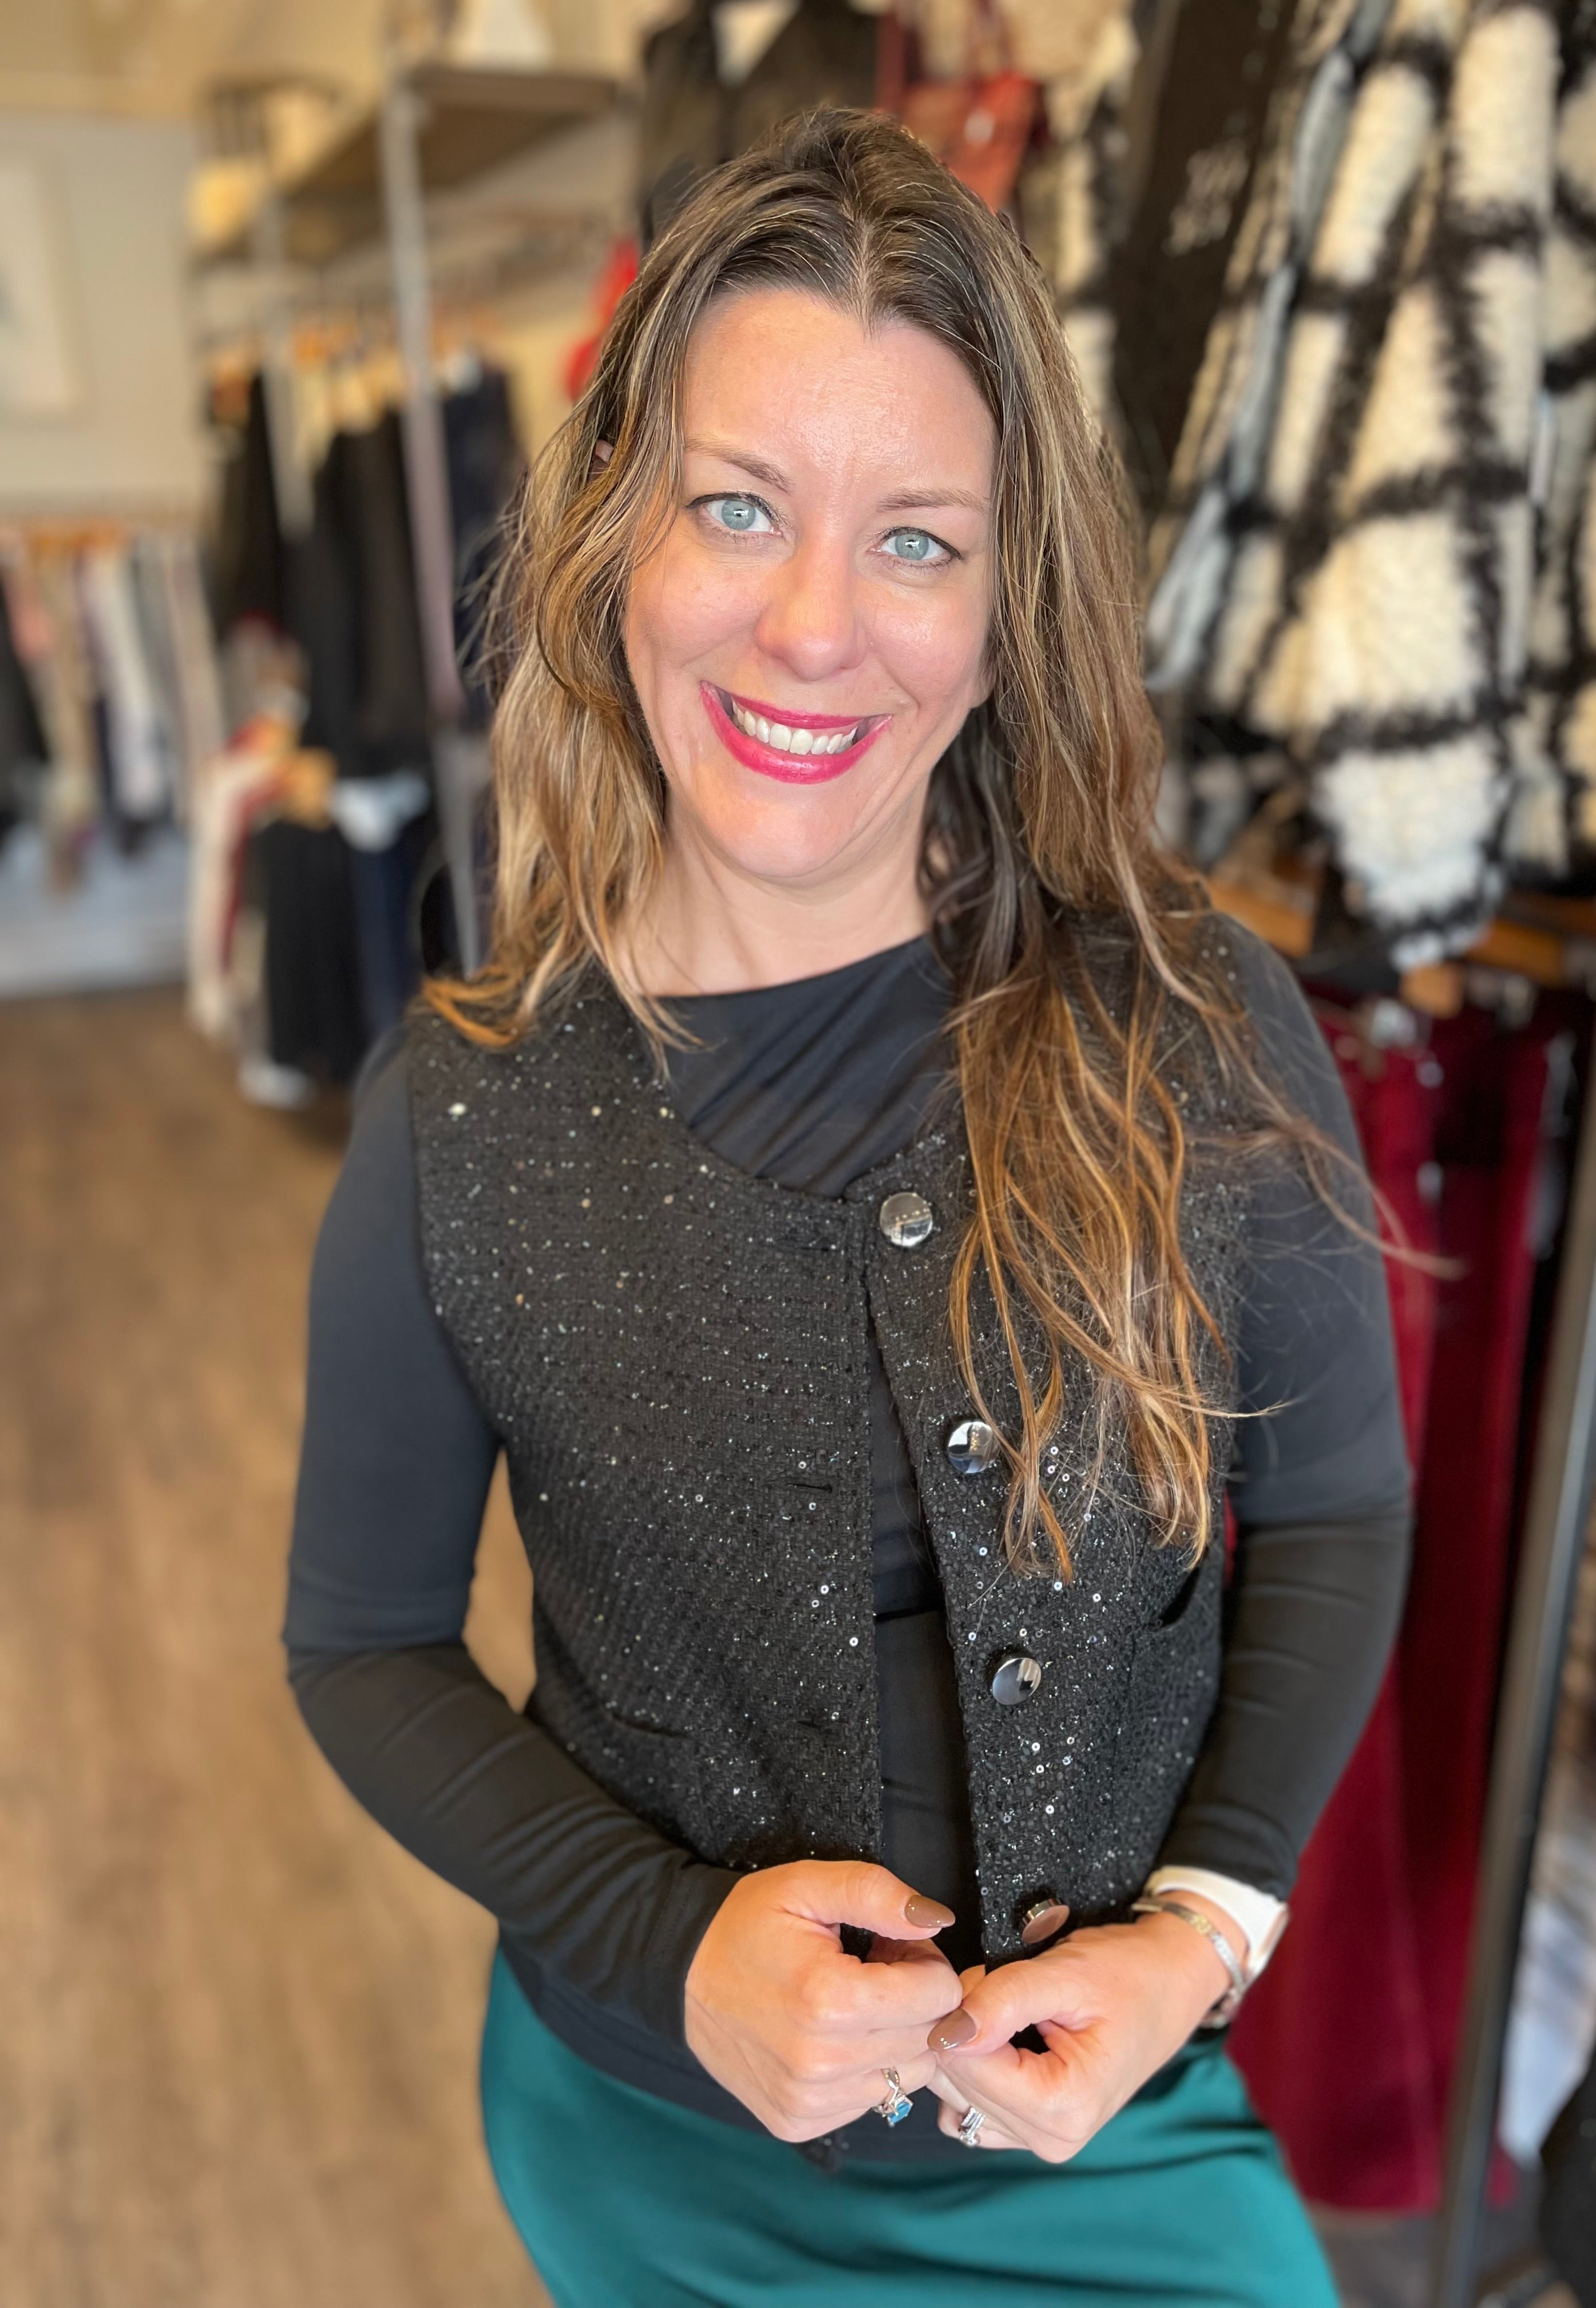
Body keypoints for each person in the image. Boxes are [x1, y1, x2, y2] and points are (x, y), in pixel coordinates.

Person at [285, 107, 1411, 2307]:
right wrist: (665, 1945)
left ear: (1002, 616)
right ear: (618, 539)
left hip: (1115, 2131)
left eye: (915, 542)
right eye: (738, 507)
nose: (813, 628)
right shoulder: (465, 1112)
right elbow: (366, 1647)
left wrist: (1208, 1926)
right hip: (655, 2134)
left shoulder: (1194, 1021)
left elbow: (1341, 1507)